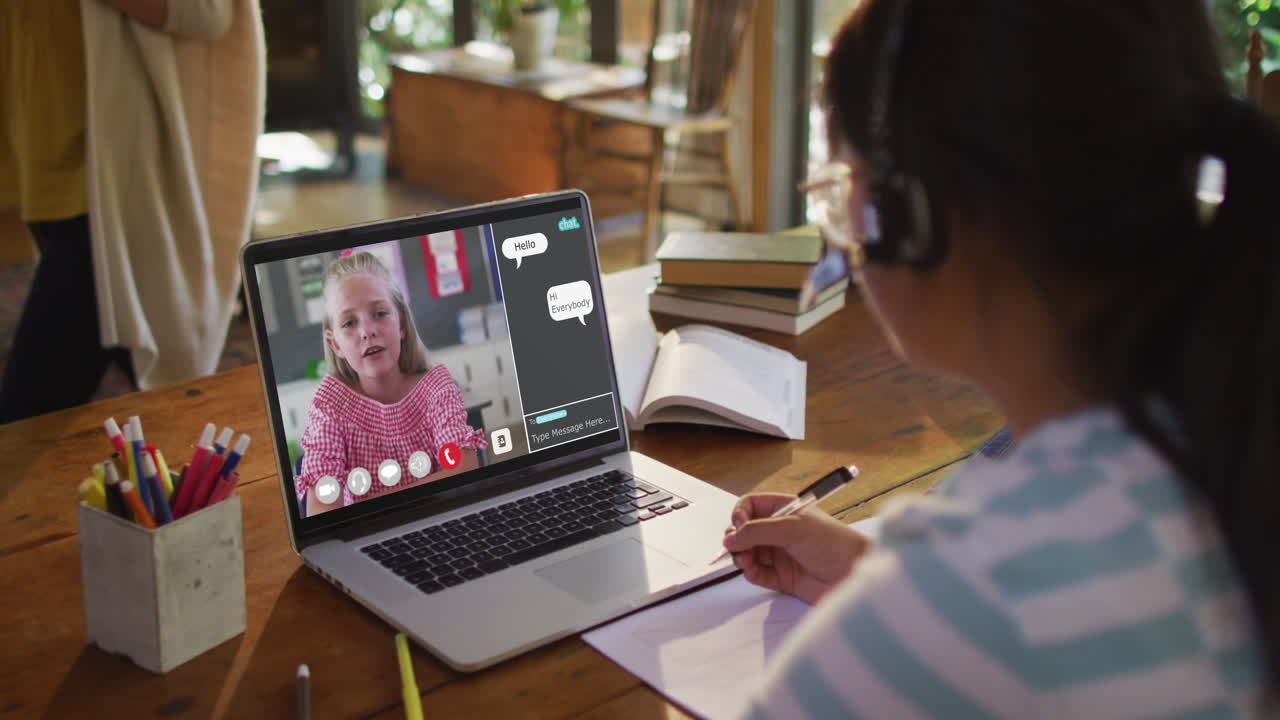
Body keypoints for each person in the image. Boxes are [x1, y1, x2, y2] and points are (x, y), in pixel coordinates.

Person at [721, 1, 1276, 716]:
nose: (846, 237)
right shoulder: (1226, 439)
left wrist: (918, 613)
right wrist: (880, 579)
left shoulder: (977, 591)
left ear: (916, 211)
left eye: (842, 187)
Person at [0, 0, 264, 423]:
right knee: (144, 386)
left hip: (116, 184)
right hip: (47, 163)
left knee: (25, 413)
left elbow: (209, 11)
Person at [297, 251, 486, 516]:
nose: (367, 331)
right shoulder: (329, 408)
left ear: (401, 325)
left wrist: (369, 504)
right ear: (335, 343)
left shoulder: (435, 388)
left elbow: (462, 467)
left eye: (380, 313)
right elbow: (321, 511)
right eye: (349, 322)